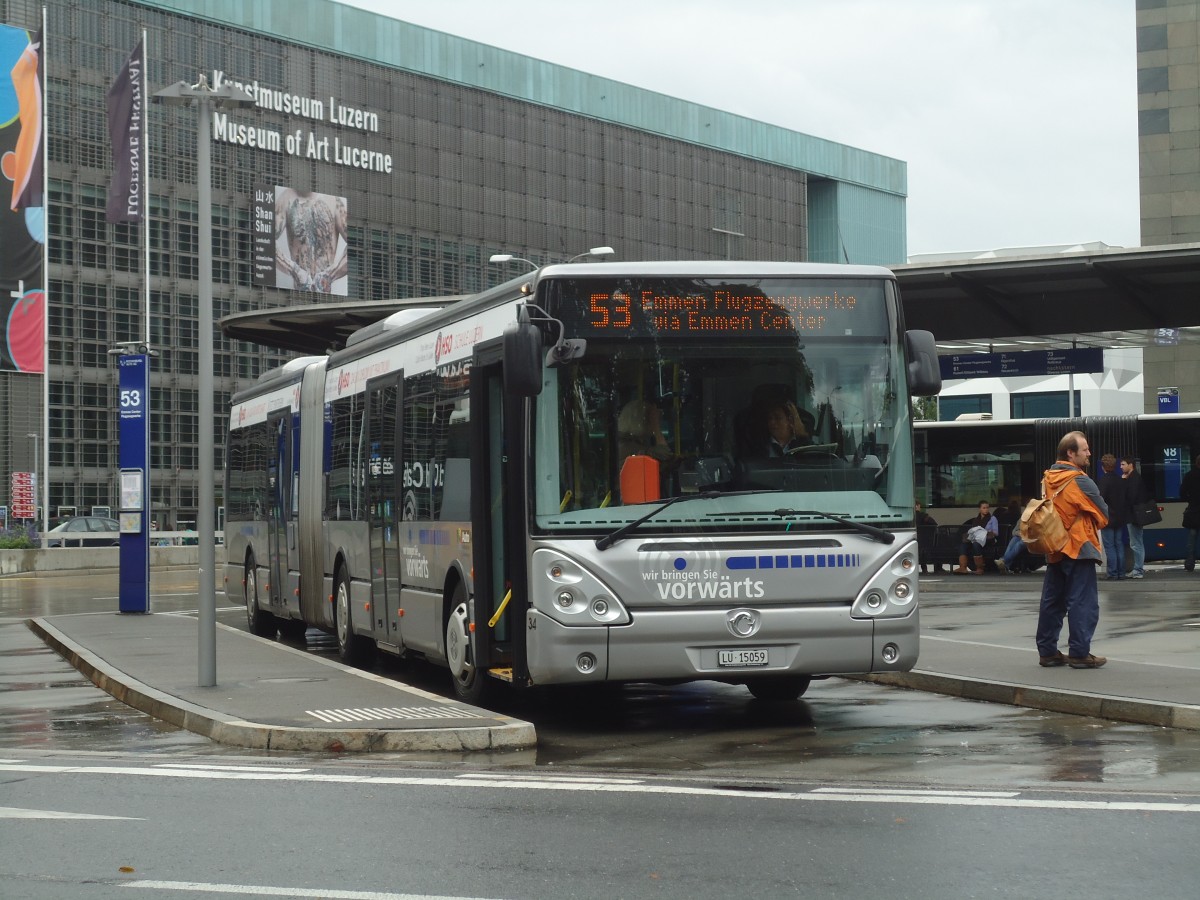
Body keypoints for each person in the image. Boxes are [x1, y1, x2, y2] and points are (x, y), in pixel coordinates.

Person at [1035, 430, 1109, 669]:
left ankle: (1047, 652)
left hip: (1054, 545)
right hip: (1079, 546)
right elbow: (1103, 514)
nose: (1089, 453)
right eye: (1085, 449)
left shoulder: (1048, 478)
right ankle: (1079, 653)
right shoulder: (1080, 480)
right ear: (1070, 452)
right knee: (1082, 601)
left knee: (1052, 600)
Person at [1120, 455, 1152, 579]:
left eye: (1123, 464)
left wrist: (1123, 481)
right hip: (1136, 515)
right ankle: (1138, 569)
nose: (1121, 467)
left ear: (1130, 465)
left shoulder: (1132, 479)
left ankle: (1138, 570)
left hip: (1134, 516)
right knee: (1137, 542)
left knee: (1136, 544)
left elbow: (1130, 497)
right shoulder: (1135, 477)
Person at [1098, 459, 1128, 580]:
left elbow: (1100, 499)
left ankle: (1112, 573)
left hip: (1108, 518)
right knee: (1119, 545)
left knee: (1109, 546)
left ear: (1103, 467)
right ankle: (1121, 573)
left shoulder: (1103, 481)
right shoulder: (1120, 480)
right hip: (1120, 518)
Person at [617, 398, 672, 463]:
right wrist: (656, 426)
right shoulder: (629, 447)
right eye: (649, 419)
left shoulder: (631, 442)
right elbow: (664, 454)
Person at [953, 500, 998, 575]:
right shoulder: (976, 520)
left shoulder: (992, 518)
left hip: (988, 538)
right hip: (976, 537)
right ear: (980, 509)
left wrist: (985, 532)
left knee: (976, 544)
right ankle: (963, 567)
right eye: (984, 508)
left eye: (987, 508)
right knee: (963, 545)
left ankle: (979, 568)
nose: (986, 509)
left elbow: (996, 533)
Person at [1182, 454, 1200, 573]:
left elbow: (1182, 492)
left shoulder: (1189, 475)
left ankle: (1190, 561)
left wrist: (1191, 500)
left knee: (1192, 538)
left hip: (1194, 511)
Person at [914, 501, 942, 574]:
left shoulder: (908, 517)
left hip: (914, 540)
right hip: (925, 540)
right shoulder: (924, 516)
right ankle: (933, 569)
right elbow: (934, 524)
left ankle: (924, 569)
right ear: (918, 506)